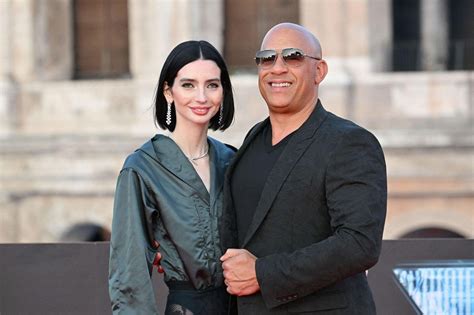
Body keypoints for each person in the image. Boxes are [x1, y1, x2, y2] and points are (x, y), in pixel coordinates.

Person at [220, 23, 387, 314]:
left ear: (319, 71)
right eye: (267, 58)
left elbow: (359, 244)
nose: (278, 68)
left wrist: (263, 273)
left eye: (293, 56)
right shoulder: (252, 141)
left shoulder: (349, 142)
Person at [108, 40, 237, 314]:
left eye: (212, 85)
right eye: (188, 84)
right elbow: (129, 276)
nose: (201, 97)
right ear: (169, 91)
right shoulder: (142, 168)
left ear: (223, 92)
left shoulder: (234, 161)